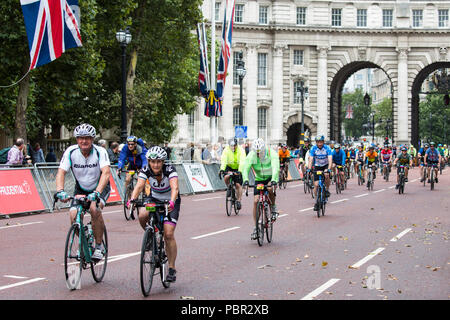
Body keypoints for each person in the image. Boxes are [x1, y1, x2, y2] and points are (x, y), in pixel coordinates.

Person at [55, 123, 111, 260]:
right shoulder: (71, 151)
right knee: (73, 215)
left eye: (87, 138)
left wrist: (97, 192)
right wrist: (60, 191)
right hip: (81, 188)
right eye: (80, 138)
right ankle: (85, 239)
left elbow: (106, 173)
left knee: (94, 209)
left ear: (92, 139)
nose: (84, 141)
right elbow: (61, 172)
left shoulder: (100, 151)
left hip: (100, 187)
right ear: (77, 140)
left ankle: (98, 247)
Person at [128, 146, 180, 282]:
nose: (155, 165)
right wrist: (132, 199)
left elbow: (175, 188)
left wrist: (172, 202)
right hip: (154, 198)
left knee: (168, 234)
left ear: (163, 162)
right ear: (149, 162)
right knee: (142, 214)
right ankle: (151, 234)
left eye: (158, 162)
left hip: (170, 201)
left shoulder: (170, 170)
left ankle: (172, 268)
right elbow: (139, 186)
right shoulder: (146, 170)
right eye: (152, 161)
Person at [242, 138, 280, 240]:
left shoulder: (272, 153)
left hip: (271, 177)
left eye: (261, 153)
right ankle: (256, 228)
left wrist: (274, 180)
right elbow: (245, 168)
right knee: (255, 201)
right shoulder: (252, 155)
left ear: (264, 149)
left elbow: (276, 168)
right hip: (259, 179)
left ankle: (273, 207)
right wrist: (245, 180)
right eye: (257, 153)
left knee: (271, 189)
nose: (259, 155)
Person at [219, 138, 246, 210]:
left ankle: (239, 200)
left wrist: (240, 171)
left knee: (238, 185)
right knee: (226, 177)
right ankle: (229, 188)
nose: (233, 147)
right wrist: (222, 169)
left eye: (235, 146)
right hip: (229, 166)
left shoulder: (241, 150)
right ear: (229, 146)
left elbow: (242, 162)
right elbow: (224, 160)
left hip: (238, 167)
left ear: (237, 145)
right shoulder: (226, 150)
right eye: (232, 146)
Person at [308, 135, 332, 211]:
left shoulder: (327, 148)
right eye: (318, 142)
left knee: (326, 175)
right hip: (317, 166)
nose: (319, 144)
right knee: (316, 184)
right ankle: (316, 201)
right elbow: (311, 159)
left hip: (325, 165)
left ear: (323, 142)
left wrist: (328, 169)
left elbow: (330, 159)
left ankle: (327, 189)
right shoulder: (313, 148)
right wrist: (309, 169)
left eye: (321, 142)